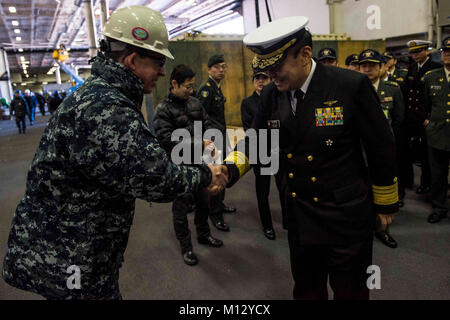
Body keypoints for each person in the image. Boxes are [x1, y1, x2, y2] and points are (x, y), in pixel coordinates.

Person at [2, 5, 226, 300]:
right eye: (158, 61)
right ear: (133, 60)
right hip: (72, 258)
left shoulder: (101, 94)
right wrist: (206, 174)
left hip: (70, 250)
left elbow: (135, 156)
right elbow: (156, 178)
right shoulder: (107, 107)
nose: (162, 71)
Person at [221, 16, 398, 300]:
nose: (272, 75)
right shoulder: (271, 95)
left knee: (351, 291)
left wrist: (386, 200)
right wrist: (228, 170)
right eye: (266, 68)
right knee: (307, 291)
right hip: (301, 214)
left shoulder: (349, 86)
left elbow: (381, 145)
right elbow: (256, 141)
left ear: (305, 54)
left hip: (346, 215)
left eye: (277, 66)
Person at [153, 64, 223, 266]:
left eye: (193, 86)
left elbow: (208, 123)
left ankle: (203, 234)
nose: (192, 90)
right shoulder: (163, 110)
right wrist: (198, 143)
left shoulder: (195, 103)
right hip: (178, 165)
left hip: (199, 162)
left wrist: (212, 140)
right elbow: (165, 139)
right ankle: (186, 247)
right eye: (188, 86)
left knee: (203, 201)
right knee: (181, 207)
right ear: (174, 83)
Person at [359, 49, 405, 248]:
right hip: (358, 150)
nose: (368, 69)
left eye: (372, 65)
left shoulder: (392, 89)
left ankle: (382, 230)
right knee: (361, 190)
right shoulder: (352, 89)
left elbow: (399, 119)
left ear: (381, 67)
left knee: (383, 189)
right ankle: (362, 229)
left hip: (382, 151)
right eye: (364, 65)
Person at [197, 54, 235, 232]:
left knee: (224, 170)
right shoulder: (206, 90)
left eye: (223, 66)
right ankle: (215, 213)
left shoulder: (216, 88)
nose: (221, 70)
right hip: (212, 140)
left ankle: (220, 204)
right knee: (215, 174)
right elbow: (202, 118)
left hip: (221, 136)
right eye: (217, 67)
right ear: (209, 69)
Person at [241, 69, 279, 240]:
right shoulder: (248, 103)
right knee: (262, 191)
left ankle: (289, 219)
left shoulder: (278, 97)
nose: (261, 81)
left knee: (284, 186)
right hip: (261, 150)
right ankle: (267, 225)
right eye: (258, 78)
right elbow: (250, 129)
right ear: (253, 81)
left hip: (278, 149)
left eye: (264, 78)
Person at [403, 40, 442, 195]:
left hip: (426, 117)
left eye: (418, 51)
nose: (415, 55)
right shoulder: (412, 68)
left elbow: (436, 98)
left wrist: (429, 118)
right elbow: (407, 93)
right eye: (413, 53)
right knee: (412, 152)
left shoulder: (435, 68)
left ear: (427, 51)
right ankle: (410, 180)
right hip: (413, 117)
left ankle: (428, 184)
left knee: (428, 155)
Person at [421, 36, 450, 223]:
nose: (447, 54)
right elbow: (425, 104)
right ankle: (439, 207)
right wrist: (427, 123)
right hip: (437, 133)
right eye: (445, 51)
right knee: (438, 173)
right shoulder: (431, 77)